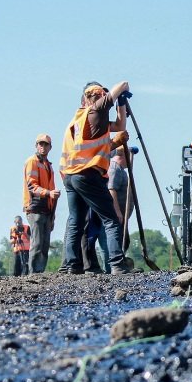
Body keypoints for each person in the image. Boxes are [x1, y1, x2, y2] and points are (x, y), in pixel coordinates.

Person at [59, 80, 134, 275]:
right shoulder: (95, 111)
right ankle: (117, 264)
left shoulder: (80, 119)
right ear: (92, 98)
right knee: (110, 220)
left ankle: (72, 265)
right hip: (87, 174)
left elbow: (119, 125)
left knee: (76, 220)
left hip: (71, 176)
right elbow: (122, 83)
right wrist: (123, 90)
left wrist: (122, 103)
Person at [23, 133, 60, 273]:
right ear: (36, 146)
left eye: (46, 144)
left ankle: (39, 273)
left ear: (50, 147)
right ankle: (33, 274)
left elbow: (50, 189)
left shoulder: (48, 166)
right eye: (41, 144)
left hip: (46, 209)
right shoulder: (32, 162)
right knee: (37, 243)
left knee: (44, 245)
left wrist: (53, 215)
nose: (43, 147)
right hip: (35, 208)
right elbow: (32, 186)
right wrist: (49, 193)